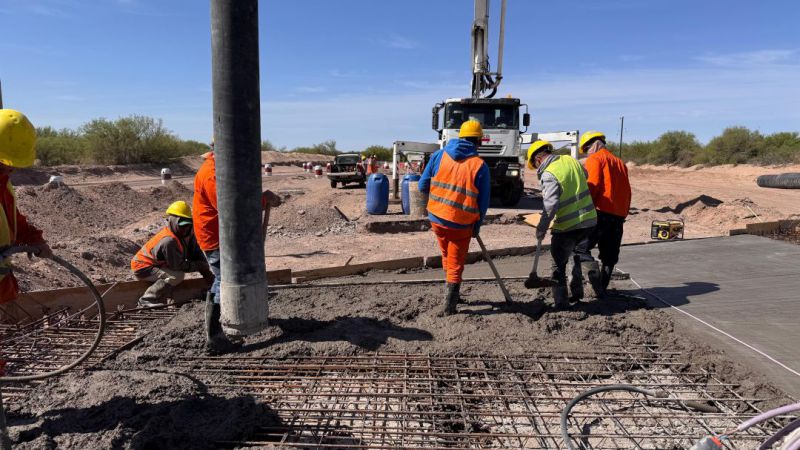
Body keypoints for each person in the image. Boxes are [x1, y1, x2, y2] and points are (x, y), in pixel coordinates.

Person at [193, 149, 281, 355]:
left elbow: (237, 196)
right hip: (216, 238)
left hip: (224, 235)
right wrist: (263, 200)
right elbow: (229, 208)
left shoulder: (221, 169)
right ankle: (215, 337)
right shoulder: (211, 174)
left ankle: (222, 328)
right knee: (222, 280)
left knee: (222, 279)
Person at [418, 120, 490, 315]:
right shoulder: (480, 166)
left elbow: (422, 186)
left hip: (437, 218)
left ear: (460, 137)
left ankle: (451, 293)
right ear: (478, 141)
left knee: (447, 256)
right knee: (456, 263)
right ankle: (449, 306)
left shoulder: (439, 155)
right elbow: (483, 203)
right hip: (461, 225)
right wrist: (477, 225)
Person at [526, 140, 597, 309]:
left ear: (538, 159)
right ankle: (592, 291)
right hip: (589, 220)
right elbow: (585, 175)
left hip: (567, 226)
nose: (537, 168)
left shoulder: (549, 174)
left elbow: (550, 205)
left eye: (535, 165)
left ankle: (561, 303)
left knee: (558, 264)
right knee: (577, 254)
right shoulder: (570, 160)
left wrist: (542, 227)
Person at [0, 110, 53, 320]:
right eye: (4, 163)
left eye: (12, 164)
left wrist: (33, 239)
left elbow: (11, 219)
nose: (10, 169)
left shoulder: (3, 183)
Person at [574, 131, 631, 296]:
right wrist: (623, 213)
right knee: (609, 256)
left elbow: (592, 186)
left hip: (600, 213)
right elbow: (627, 191)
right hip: (618, 216)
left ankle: (594, 282)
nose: (587, 153)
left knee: (579, 248)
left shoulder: (595, 159)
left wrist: (583, 210)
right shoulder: (620, 162)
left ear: (593, 145)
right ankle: (601, 290)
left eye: (586, 149)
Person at [131, 201, 213, 308]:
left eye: (187, 225)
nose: (185, 229)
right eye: (182, 225)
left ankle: (163, 295)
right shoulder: (169, 241)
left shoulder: (189, 234)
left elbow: (196, 255)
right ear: (173, 222)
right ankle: (147, 299)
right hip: (143, 267)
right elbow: (178, 266)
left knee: (176, 274)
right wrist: (199, 265)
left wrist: (208, 275)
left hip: (158, 264)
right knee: (176, 276)